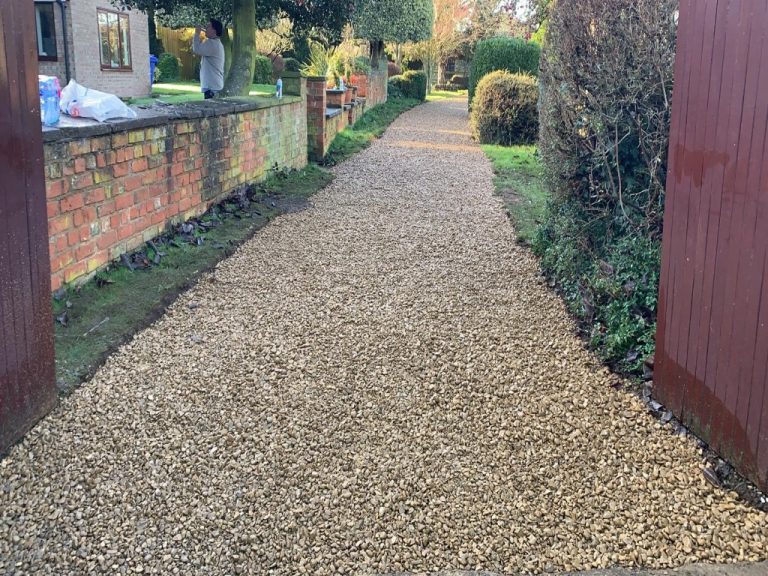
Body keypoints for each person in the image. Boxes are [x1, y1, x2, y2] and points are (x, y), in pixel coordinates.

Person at [193, 19, 225, 99]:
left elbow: (196, 49)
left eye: (208, 27)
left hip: (212, 88)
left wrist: (197, 33)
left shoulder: (212, 43)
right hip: (214, 86)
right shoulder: (215, 43)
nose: (205, 29)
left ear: (214, 30)